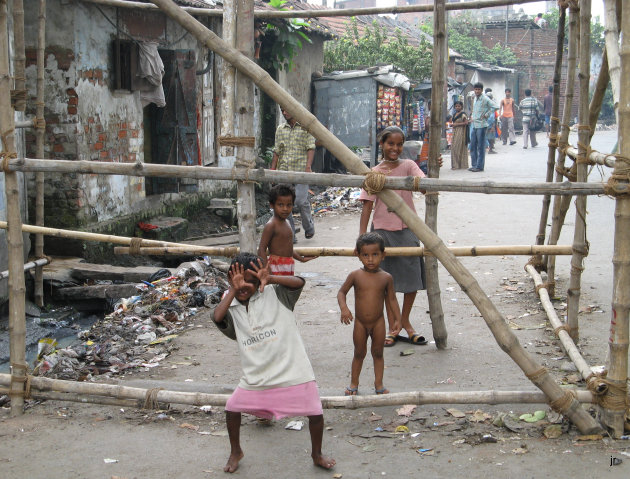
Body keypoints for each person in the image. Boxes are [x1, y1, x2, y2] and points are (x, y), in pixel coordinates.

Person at [211, 253, 335, 473]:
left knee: (315, 412)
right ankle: (235, 451)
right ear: (230, 280)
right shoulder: (231, 307)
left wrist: (273, 278)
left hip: (293, 371)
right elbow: (217, 317)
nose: (244, 286)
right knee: (232, 408)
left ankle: (317, 454)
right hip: (256, 376)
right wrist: (232, 290)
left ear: (260, 279)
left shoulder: (277, 294)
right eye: (238, 280)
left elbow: (300, 283)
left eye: (250, 280)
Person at [359, 126, 428, 348]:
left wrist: (427, 176)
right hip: (381, 231)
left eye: (399, 144)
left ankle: (404, 321)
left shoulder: (408, 165)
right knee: (386, 283)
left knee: (411, 279)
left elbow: (423, 183)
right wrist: (362, 237)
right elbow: (367, 205)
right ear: (382, 144)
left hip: (407, 228)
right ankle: (394, 326)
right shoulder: (375, 172)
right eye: (391, 144)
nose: (395, 148)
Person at [337, 232, 402, 396]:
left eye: (375, 254)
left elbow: (392, 300)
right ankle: (354, 384)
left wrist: (397, 320)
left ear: (383, 255)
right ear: (357, 255)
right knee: (359, 353)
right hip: (360, 323)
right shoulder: (355, 276)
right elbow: (341, 292)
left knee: (378, 353)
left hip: (378, 322)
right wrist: (344, 308)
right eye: (365, 255)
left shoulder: (386, 278)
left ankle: (379, 385)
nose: (370, 259)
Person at [271, 108, 316, 243]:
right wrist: (272, 170)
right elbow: (277, 150)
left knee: (301, 201)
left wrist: (308, 167)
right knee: (285, 204)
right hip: (284, 171)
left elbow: (311, 147)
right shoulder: (280, 129)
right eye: (282, 111)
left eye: (287, 110)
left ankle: (309, 226)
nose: (285, 113)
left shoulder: (306, 127)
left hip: (301, 171)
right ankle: (291, 235)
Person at [258, 184, 316, 275]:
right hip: (275, 267)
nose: (285, 209)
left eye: (289, 205)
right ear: (272, 205)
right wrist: (266, 269)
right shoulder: (271, 225)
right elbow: (261, 249)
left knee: (287, 288)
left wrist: (301, 258)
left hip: (288, 265)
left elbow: (287, 248)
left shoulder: (287, 223)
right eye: (280, 205)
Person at [469, 82, 497, 172]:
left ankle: (479, 166)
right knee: (472, 146)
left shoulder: (485, 99)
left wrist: (487, 114)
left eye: (478, 89)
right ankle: (474, 165)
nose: (477, 91)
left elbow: (495, 106)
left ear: (481, 90)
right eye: (476, 89)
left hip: (481, 125)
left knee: (481, 147)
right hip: (474, 124)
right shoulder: (475, 98)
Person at [450, 100, 469, 169]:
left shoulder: (463, 114)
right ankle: (455, 165)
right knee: (453, 148)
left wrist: (456, 124)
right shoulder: (455, 114)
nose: (457, 107)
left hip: (461, 132)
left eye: (459, 106)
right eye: (456, 106)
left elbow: (466, 122)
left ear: (461, 107)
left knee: (457, 147)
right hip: (455, 132)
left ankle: (460, 165)